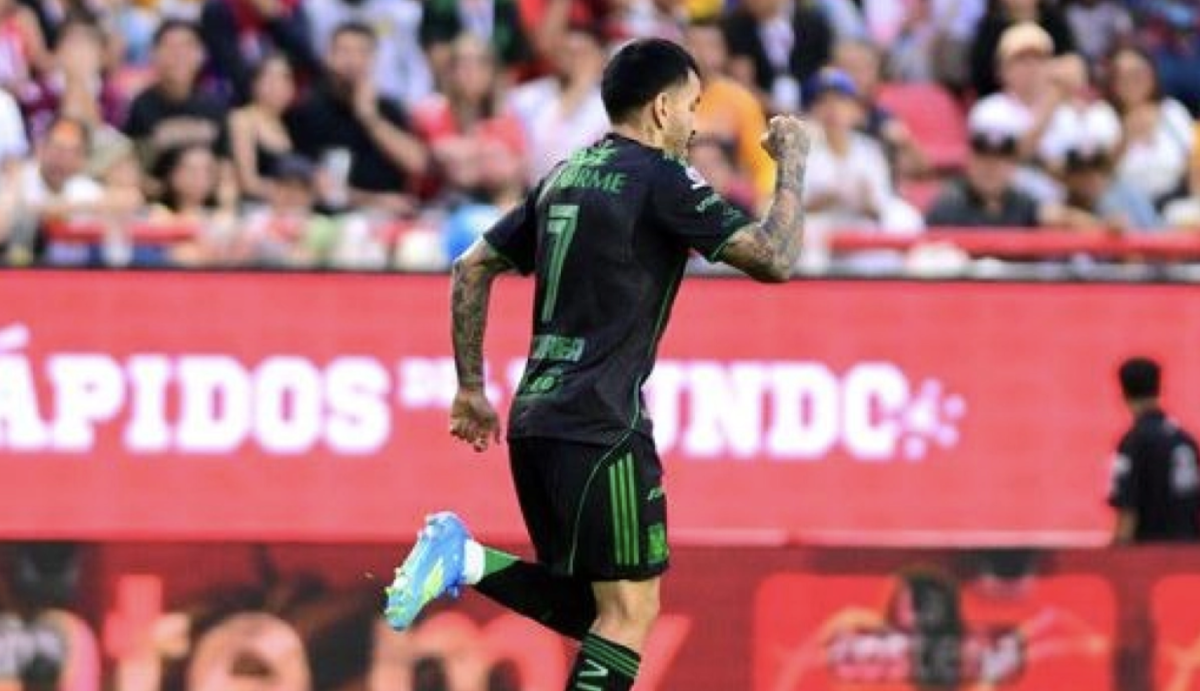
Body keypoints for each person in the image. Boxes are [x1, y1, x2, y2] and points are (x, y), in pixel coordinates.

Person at [383, 37, 810, 691]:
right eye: (692, 106)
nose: (694, 124)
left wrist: (471, 387)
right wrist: (794, 165)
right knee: (629, 613)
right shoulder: (662, 177)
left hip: (535, 421)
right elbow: (774, 258)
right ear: (662, 107)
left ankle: (462, 557)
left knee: (598, 610)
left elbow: (472, 266)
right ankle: (460, 556)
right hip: (602, 425)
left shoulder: (565, 174)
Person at [1108, 357, 1200, 544]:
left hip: (1151, 553)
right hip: (1189, 552)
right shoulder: (1185, 440)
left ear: (1124, 392)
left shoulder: (1133, 443)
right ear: (1158, 388)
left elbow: (1127, 511)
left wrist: (1116, 552)